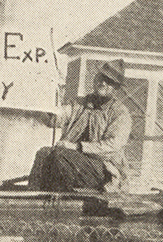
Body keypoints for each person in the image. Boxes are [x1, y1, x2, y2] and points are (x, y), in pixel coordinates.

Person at [27, 59, 132, 193]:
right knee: (44, 153)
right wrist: (46, 107)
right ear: (95, 78)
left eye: (109, 82)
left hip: (103, 171)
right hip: (70, 160)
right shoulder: (79, 104)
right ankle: (33, 196)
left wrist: (78, 147)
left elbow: (112, 146)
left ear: (116, 88)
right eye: (101, 78)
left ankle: (66, 196)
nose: (103, 83)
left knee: (60, 155)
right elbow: (56, 120)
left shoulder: (120, 113)